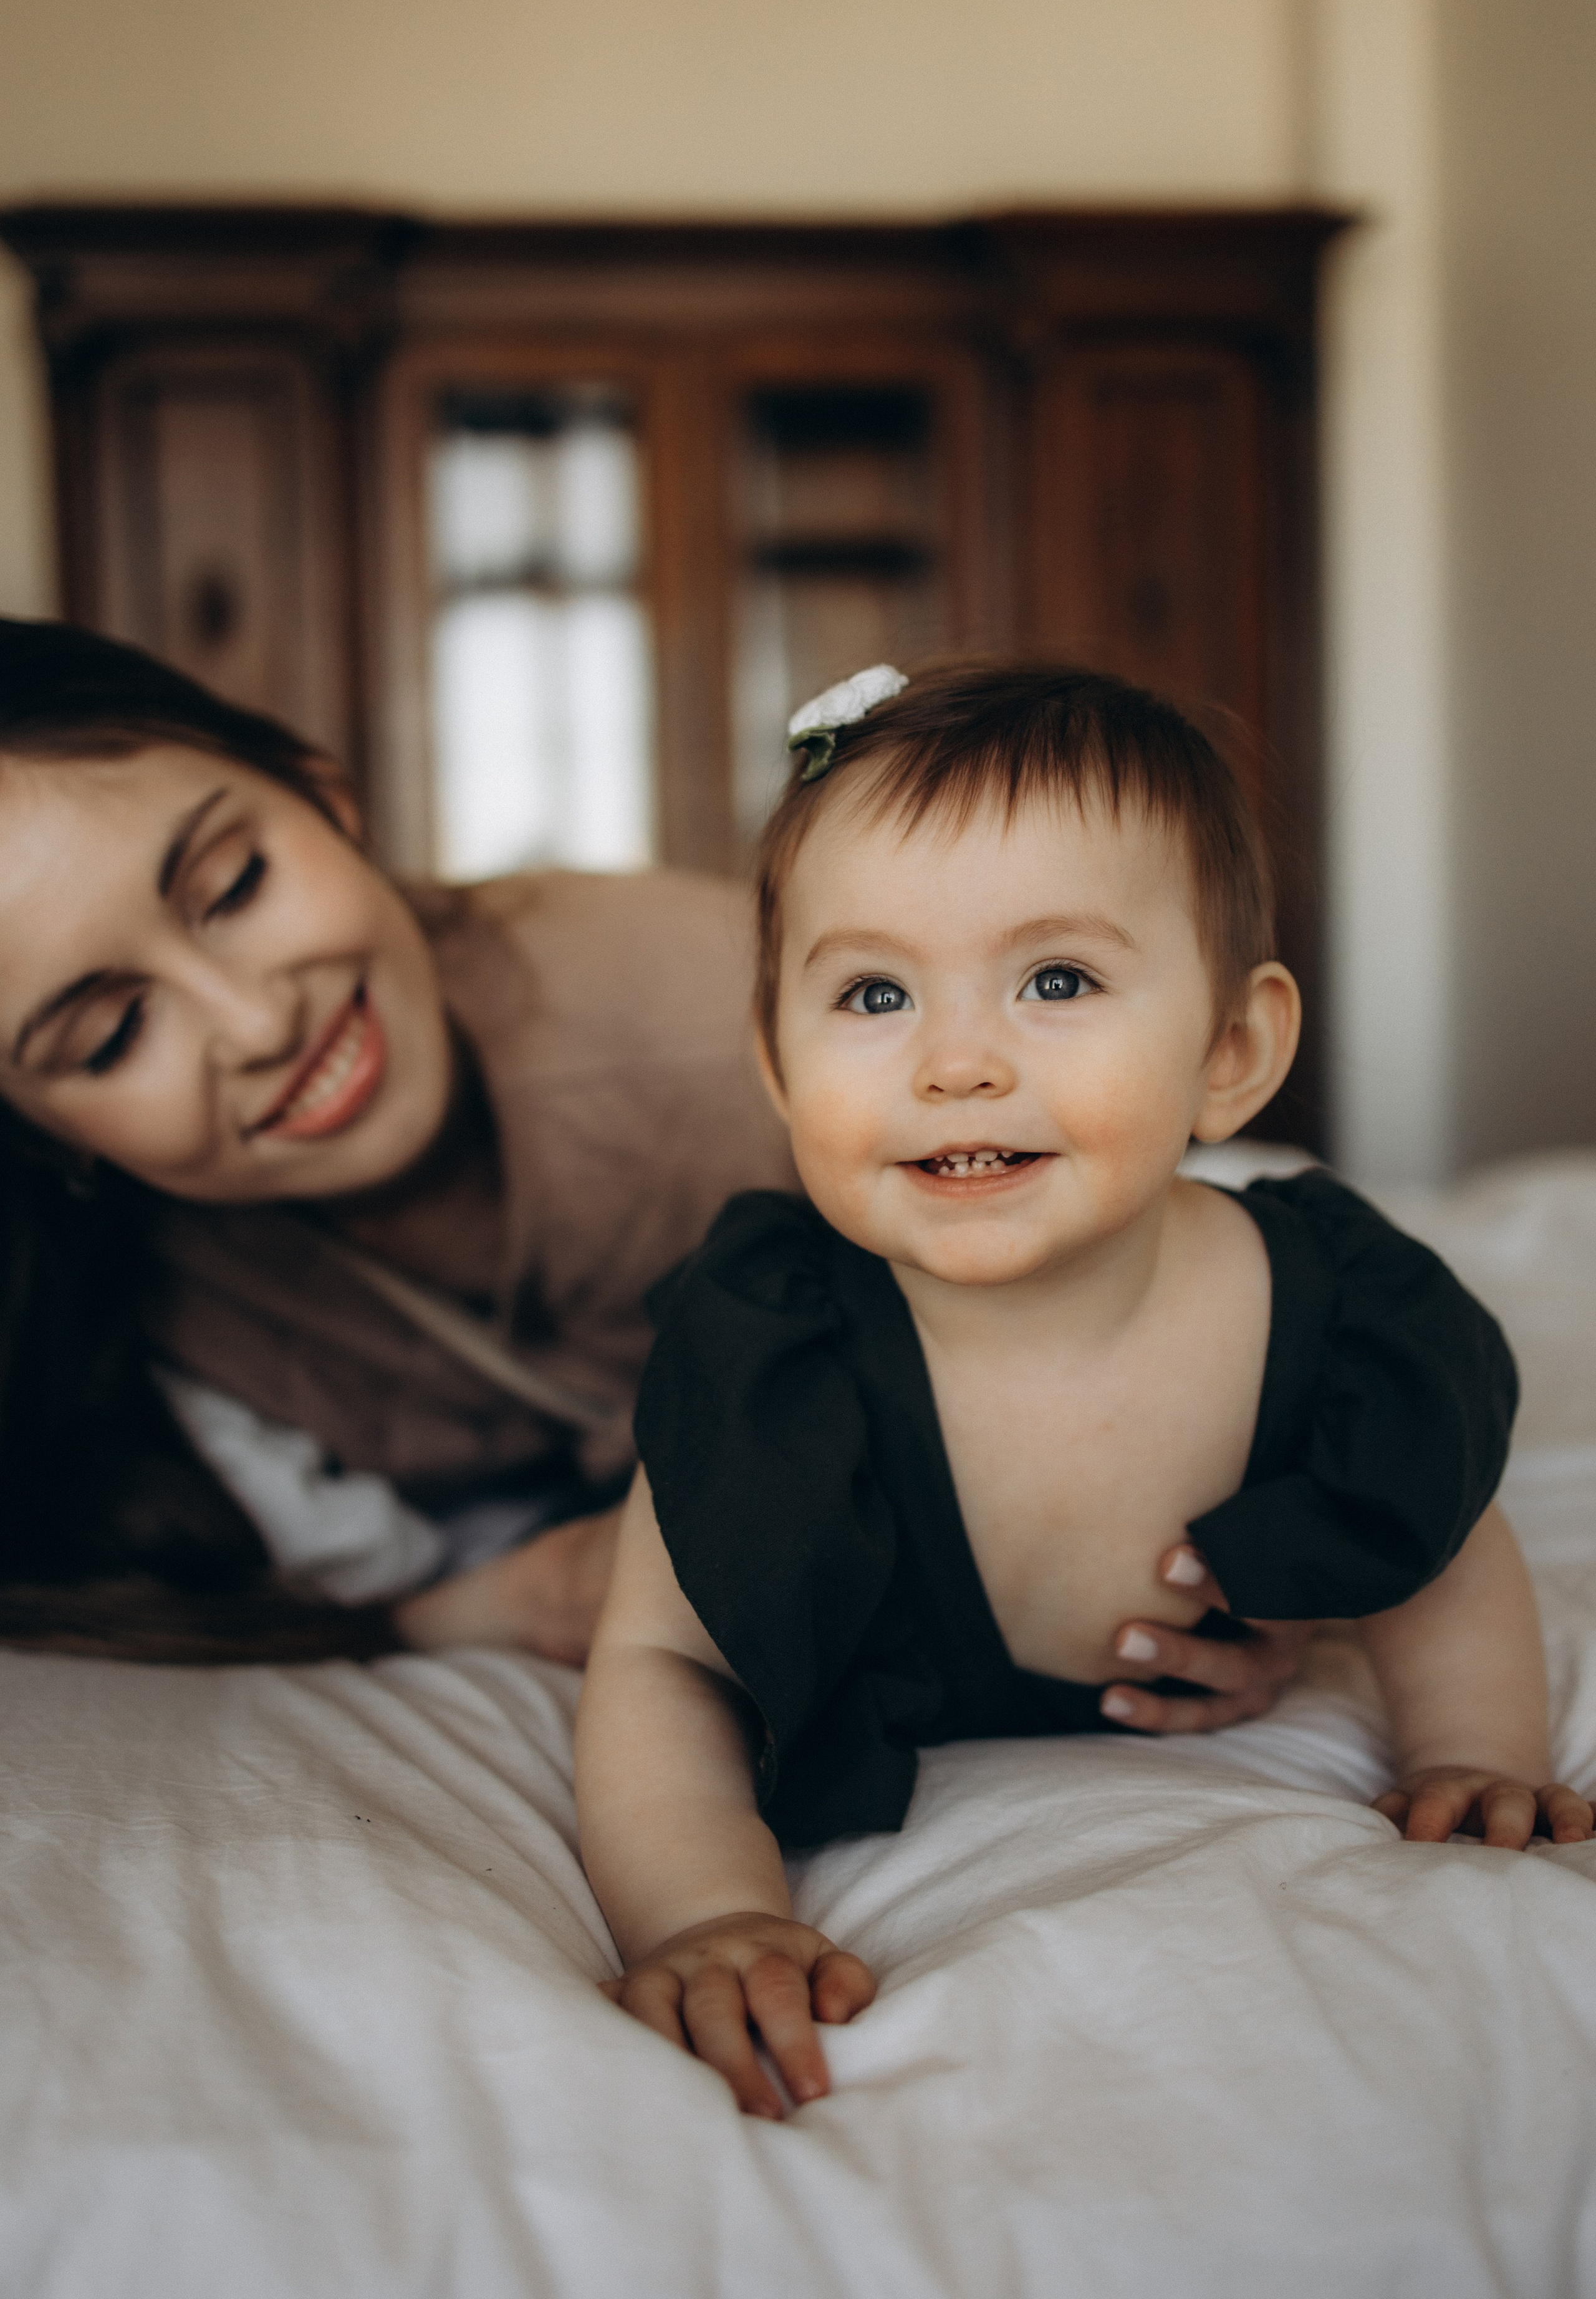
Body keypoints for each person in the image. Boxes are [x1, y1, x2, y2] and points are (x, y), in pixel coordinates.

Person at [574, 659, 1595, 2121]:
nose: (958, 1062)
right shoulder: (775, 1359)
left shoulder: (1317, 1311)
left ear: (1228, 1053)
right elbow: (668, 1666)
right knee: (579, 1587)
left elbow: (1428, 1531)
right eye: (872, 993)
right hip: (848, 1639)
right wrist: (706, 1911)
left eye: (1055, 980)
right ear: (777, 1069)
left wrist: (1471, 1754)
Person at [0, 620, 1297, 1723]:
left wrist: (1258, 1548)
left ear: (321, 795)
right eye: (111, 1035)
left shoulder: (716, 1057)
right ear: (40, 1124)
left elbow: (1154, 1308)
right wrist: (475, 1607)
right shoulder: (126, 1285)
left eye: (233, 884)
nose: (255, 1022)